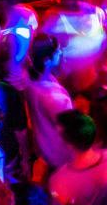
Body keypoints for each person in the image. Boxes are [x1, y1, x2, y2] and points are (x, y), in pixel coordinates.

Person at [24, 34, 74, 171]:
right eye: (57, 51)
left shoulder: (31, 79)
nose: (61, 53)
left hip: (44, 144)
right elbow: (69, 126)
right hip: (59, 151)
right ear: (46, 60)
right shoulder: (53, 97)